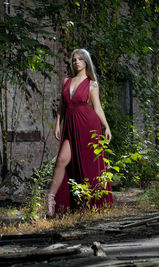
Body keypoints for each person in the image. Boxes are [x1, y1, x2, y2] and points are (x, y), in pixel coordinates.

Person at [46, 48, 114, 216]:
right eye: (74, 59)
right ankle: (51, 199)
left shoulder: (92, 83)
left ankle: (89, 204)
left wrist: (106, 126)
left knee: (87, 165)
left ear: (86, 62)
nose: (76, 62)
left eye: (80, 59)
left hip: (88, 125)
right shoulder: (66, 81)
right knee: (61, 160)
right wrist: (57, 125)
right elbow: (62, 106)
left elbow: (97, 107)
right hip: (70, 124)